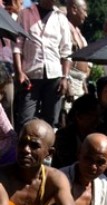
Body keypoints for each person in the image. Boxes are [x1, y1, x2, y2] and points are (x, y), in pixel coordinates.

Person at [12, 0, 72, 130]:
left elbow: (66, 51)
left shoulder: (60, 18)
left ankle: (47, 150)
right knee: (25, 120)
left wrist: (65, 77)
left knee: (51, 120)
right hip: (30, 77)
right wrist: (19, 72)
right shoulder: (25, 14)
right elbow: (17, 46)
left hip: (54, 77)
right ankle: (25, 149)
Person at [65, 0, 90, 104]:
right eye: (84, 11)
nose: (86, 15)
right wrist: (68, 84)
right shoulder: (64, 27)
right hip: (69, 80)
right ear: (74, 9)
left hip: (80, 82)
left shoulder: (79, 33)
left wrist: (84, 85)